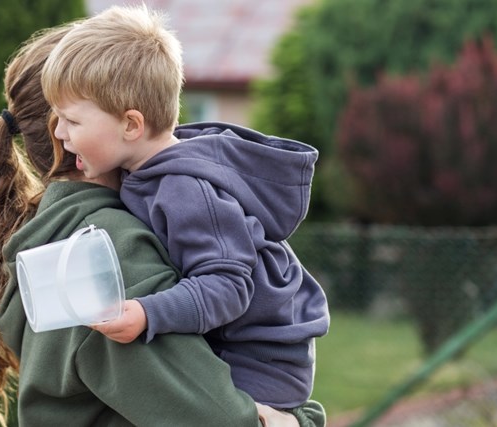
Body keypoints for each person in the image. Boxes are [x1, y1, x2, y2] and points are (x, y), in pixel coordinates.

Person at [0, 20, 326, 427]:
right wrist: (300, 421)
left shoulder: (62, 234)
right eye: (64, 119)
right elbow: (223, 420)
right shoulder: (108, 253)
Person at [41, 4, 330, 413]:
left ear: (130, 125)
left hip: (260, 364)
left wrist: (147, 312)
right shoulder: (147, 170)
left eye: (72, 121)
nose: (58, 132)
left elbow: (229, 287)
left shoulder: (184, 189)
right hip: (238, 350)